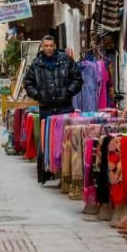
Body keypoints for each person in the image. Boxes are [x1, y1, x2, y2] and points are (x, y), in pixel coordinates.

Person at [23, 34, 83, 184]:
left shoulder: (66, 61)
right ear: (42, 47)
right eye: (46, 46)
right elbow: (28, 84)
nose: (49, 48)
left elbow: (77, 79)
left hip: (65, 107)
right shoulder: (36, 65)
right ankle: (48, 172)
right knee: (47, 142)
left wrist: (68, 91)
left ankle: (67, 176)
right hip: (47, 108)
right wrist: (39, 95)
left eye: (51, 45)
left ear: (55, 46)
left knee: (66, 142)